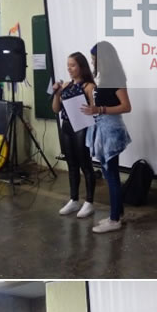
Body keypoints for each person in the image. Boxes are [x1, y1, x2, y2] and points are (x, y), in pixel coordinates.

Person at [84, 41, 132, 234]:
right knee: (109, 173)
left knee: (111, 175)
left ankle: (114, 220)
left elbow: (126, 106)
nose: (92, 62)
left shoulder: (116, 78)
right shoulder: (102, 79)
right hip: (102, 128)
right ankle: (117, 214)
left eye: (94, 58)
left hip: (111, 130)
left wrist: (100, 109)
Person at [53, 52, 98, 219]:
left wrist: (89, 109)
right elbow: (56, 109)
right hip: (66, 126)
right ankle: (74, 199)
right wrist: (57, 93)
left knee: (85, 164)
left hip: (82, 127)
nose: (69, 68)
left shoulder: (89, 86)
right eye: (68, 65)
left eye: (73, 65)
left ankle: (89, 202)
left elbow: (95, 110)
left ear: (81, 66)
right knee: (71, 164)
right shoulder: (66, 85)